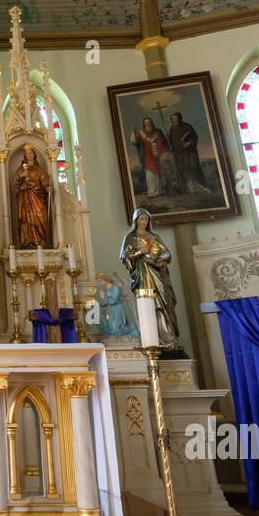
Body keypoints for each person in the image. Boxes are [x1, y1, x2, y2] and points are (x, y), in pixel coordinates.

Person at [119, 208, 183, 351]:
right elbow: (124, 257)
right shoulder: (130, 237)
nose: (144, 222)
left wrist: (161, 258)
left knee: (163, 303)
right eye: (141, 219)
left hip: (158, 274)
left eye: (146, 219)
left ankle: (168, 338)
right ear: (136, 221)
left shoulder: (154, 236)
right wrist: (140, 252)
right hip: (142, 275)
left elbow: (167, 252)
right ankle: (152, 340)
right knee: (148, 306)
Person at [12, 143, 50, 247]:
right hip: (25, 197)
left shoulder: (39, 169)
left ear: (34, 154)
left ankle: (40, 240)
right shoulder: (22, 168)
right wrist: (21, 176)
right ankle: (28, 241)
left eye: (30, 153)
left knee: (40, 216)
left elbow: (44, 180)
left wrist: (47, 187)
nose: (28, 155)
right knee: (26, 220)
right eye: (26, 153)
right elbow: (14, 183)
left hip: (37, 196)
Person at [168, 111, 210, 193]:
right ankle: (190, 188)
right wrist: (169, 138)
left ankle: (202, 186)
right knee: (184, 170)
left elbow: (194, 137)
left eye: (176, 120)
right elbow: (172, 142)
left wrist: (188, 143)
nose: (174, 122)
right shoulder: (172, 129)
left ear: (180, 119)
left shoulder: (187, 127)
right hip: (179, 154)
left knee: (193, 167)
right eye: (173, 120)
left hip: (189, 152)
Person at [131, 117, 172, 198]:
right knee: (150, 173)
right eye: (146, 123)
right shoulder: (141, 133)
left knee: (160, 172)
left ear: (151, 123)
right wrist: (133, 133)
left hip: (159, 154)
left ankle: (159, 191)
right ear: (144, 124)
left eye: (149, 122)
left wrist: (164, 149)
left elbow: (163, 141)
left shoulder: (157, 131)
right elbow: (134, 141)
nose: (148, 124)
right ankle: (152, 192)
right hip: (148, 155)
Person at [95, 272, 138, 338]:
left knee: (115, 330)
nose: (100, 283)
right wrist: (101, 300)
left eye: (100, 281)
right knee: (112, 329)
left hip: (117, 309)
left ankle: (132, 329)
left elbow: (113, 300)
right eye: (98, 282)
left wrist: (104, 297)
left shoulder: (116, 288)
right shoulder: (107, 289)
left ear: (105, 279)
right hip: (110, 310)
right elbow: (105, 303)